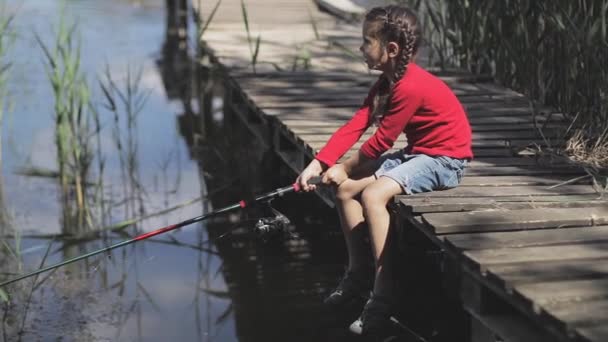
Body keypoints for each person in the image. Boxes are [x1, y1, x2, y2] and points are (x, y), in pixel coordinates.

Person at [295, 5, 473, 338]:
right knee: (346, 190)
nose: (361, 49)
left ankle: (384, 293)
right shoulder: (386, 83)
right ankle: (358, 273)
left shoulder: (409, 87)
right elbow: (356, 126)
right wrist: (317, 166)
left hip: (445, 159)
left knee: (374, 195)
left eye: (366, 42)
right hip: (419, 152)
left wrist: (345, 166)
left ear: (390, 49)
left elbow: (381, 141)